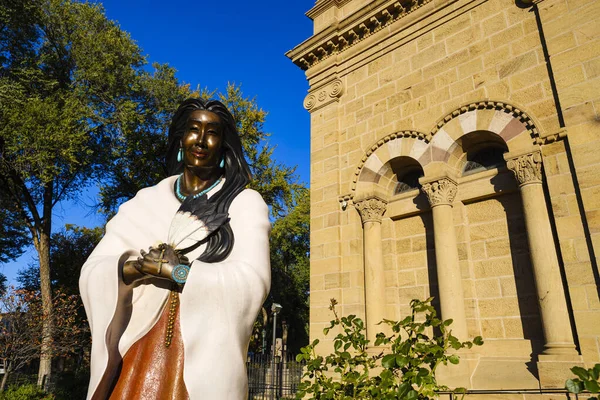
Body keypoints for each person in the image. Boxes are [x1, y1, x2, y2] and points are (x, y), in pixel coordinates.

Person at [79, 98, 271, 399]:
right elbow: (93, 269)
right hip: (137, 347)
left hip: (197, 356)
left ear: (224, 146)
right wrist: (136, 267)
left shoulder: (244, 204)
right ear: (181, 138)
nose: (202, 139)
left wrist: (178, 272)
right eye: (194, 129)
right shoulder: (143, 203)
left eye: (213, 132)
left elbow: (252, 282)